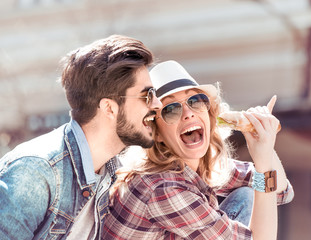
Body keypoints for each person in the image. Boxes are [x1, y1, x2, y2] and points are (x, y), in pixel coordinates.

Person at [102, 60, 294, 240]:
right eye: (171, 110)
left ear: (209, 115)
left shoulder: (198, 165)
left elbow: (282, 191)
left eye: (196, 101)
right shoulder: (162, 189)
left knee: (247, 195)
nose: (188, 113)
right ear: (156, 133)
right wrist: (263, 160)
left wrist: (263, 139)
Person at [0, 35, 162, 239]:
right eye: (147, 96)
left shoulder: (112, 171)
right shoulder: (36, 172)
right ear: (109, 108)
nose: (157, 104)